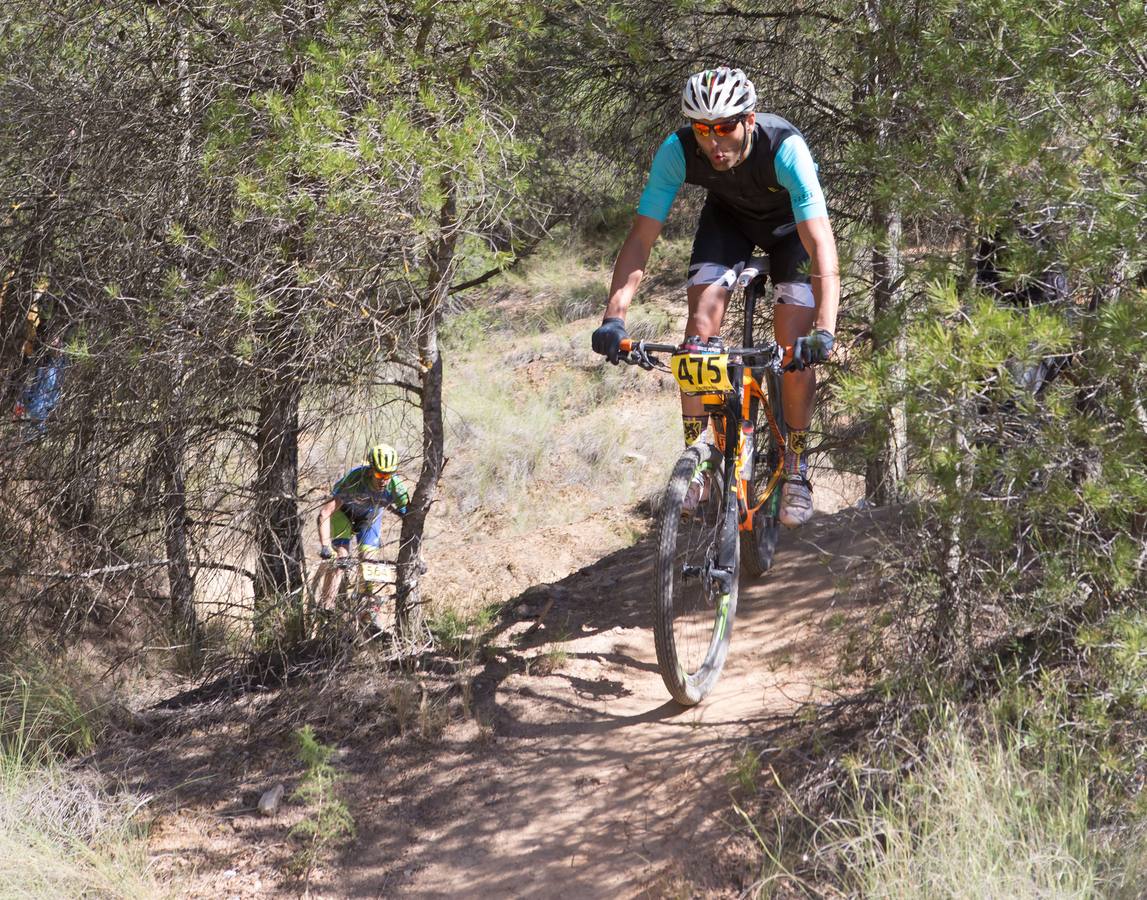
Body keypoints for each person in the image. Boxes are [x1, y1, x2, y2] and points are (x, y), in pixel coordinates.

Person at [591, 67, 840, 527]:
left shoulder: (784, 148)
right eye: (702, 129)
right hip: (727, 224)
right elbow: (642, 237)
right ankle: (700, 459)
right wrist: (614, 316)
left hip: (792, 234)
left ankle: (797, 467)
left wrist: (825, 329)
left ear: (748, 119)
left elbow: (820, 243)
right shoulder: (678, 151)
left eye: (725, 127)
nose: (713, 141)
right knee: (698, 336)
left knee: (794, 348)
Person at [315, 443, 409, 627]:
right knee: (341, 557)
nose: (384, 480)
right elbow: (325, 513)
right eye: (380, 474)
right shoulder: (355, 479)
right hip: (344, 514)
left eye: (388, 475)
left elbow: (413, 522)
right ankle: (327, 607)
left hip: (369, 518)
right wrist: (325, 546)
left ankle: (369, 611)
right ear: (370, 470)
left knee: (369, 561)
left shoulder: (396, 487)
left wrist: (418, 556)